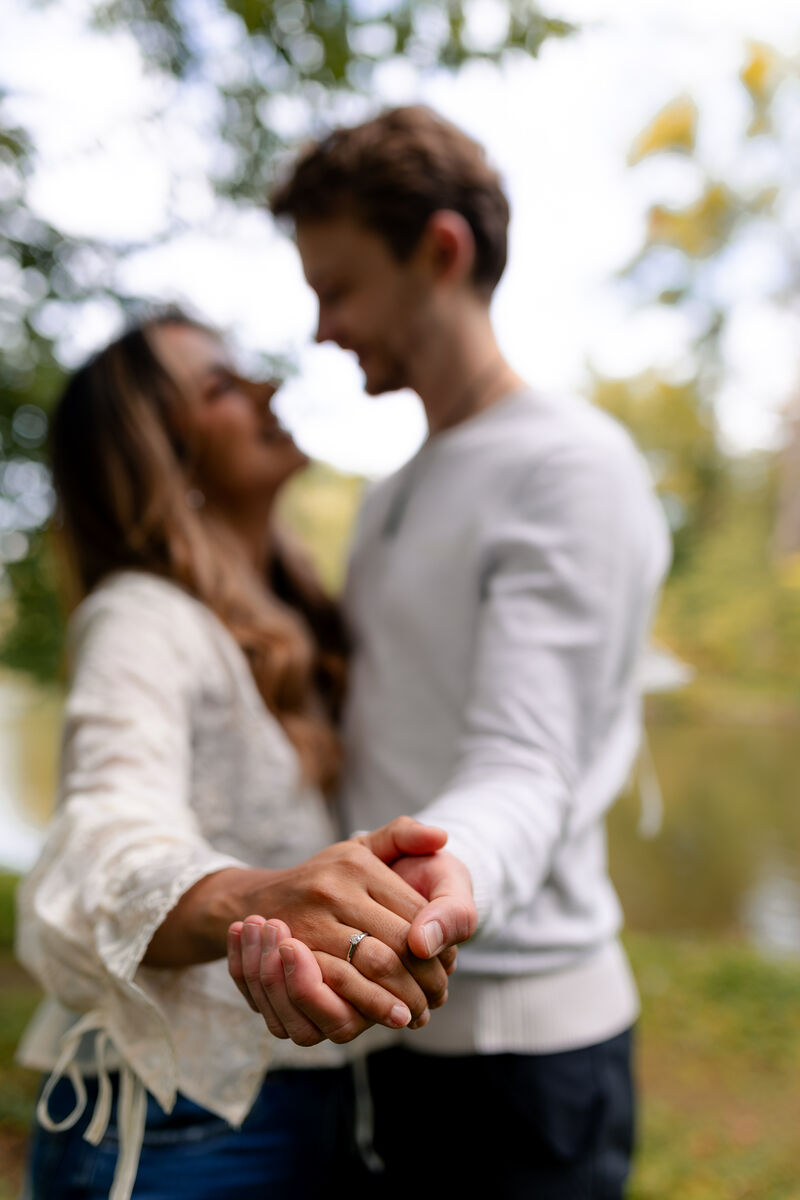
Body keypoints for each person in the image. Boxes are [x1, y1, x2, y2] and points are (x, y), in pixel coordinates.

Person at [230, 105, 672, 1197]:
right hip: (386, 1036)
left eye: (337, 288)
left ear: (439, 252)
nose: (323, 329)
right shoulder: (388, 500)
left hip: (523, 1068)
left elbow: (527, 760)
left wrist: (443, 874)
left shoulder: (567, 470)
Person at [14, 311, 475, 1200]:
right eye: (220, 386)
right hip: (173, 1127)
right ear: (162, 457)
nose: (266, 387)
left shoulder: (298, 622)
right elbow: (106, 828)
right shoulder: (140, 619)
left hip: (320, 1106)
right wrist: (260, 898)